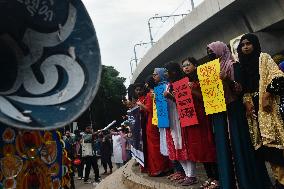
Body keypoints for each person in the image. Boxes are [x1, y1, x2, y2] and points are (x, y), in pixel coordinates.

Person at [206, 41, 271, 189]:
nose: (211, 55)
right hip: (219, 112)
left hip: (234, 111)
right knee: (224, 146)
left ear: (221, 51)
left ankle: (245, 181)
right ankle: (228, 182)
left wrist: (227, 79)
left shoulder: (233, 66)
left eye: (213, 52)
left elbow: (240, 90)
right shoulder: (208, 71)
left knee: (238, 145)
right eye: (208, 52)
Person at [237, 33, 284, 188]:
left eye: (248, 43)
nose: (245, 47)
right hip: (255, 111)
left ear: (255, 44)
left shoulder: (264, 58)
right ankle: (279, 180)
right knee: (266, 148)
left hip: (268, 108)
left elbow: (278, 77)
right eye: (243, 44)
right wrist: (247, 103)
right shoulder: (242, 64)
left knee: (275, 143)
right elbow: (245, 90)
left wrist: (266, 96)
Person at [180, 58, 219, 188]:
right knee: (200, 149)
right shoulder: (185, 82)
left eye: (188, 65)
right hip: (193, 119)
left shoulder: (202, 78)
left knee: (209, 147)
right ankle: (210, 176)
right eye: (183, 66)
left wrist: (192, 90)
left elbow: (206, 97)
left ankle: (218, 178)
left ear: (195, 65)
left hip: (204, 117)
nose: (185, 68)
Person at [136, 76, 171, 177]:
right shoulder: (155, 92)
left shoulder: (151, 94)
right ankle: (162, 167)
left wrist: (140, 105)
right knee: (158, 144)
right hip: (155, 121)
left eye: (156, 74)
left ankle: (159, 168)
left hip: (153, 122)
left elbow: (150, 109)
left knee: (155, 146)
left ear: (147, 84)